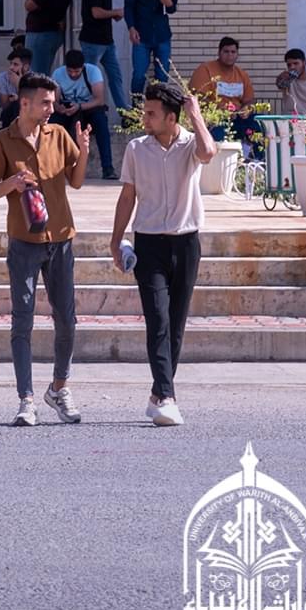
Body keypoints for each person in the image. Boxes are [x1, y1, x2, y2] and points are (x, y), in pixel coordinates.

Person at [0, 72, 89, 428]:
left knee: (67, 320)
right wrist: (12, 183)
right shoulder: (2, 140)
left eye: (53, 102)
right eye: (45, 102)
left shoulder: (58, 134)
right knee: (23, 319)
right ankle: (26, 399)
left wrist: (84, 151)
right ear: (25, 103)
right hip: (24, 243)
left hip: (61, 239)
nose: (51, 108)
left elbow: (76, 181)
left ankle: (59, 387)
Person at [110, 84, 218, 428]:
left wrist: (196, 114)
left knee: (176, 322)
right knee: (157, 319)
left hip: (187, 243)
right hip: (149, 244)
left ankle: (159, 392)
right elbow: (127, 196)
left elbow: (209, 152)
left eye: (151, 114)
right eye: (145, 112)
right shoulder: (136, 148)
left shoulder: (190, 144)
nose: (144, 119)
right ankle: (168, 397)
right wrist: (116, 240)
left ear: (172, 118)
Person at [78, 0, 128, 112]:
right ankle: (86, 110)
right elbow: (96, 12)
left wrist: (113, 15)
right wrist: (115, 12)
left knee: (115, 77)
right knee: (88, 79)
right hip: (92, 41)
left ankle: (125, 113)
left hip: (106, 41)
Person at [52, 47, 116, 180]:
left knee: (101, 122)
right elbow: (54, 101)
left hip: (89, 109)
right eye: (70, 71)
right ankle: (53, 166)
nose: (73, 74)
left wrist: (80, 107)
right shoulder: (58, 74)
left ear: (82, 67)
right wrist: (60, 108)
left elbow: (99, 100)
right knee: (52, 123)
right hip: (68, 110)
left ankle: (108, 168)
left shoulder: (93, 71)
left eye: (77, 71)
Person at [123, 0, 179, 95]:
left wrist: (169, 3)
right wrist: (131, 28)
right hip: (142, 34)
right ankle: (135, 107)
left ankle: (160, 106)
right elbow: (128, 6)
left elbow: (172, 9)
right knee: (139, 75)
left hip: (162, 34)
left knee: (163, 76)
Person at [189, 37, 259, 155]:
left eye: (233, 52)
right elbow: (199, 97)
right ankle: (218, 160)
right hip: (215, 118)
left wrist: (246, 109)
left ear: (237, 55)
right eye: (226, 51)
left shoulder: (242, 74)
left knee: (258, 124)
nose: (229, 55)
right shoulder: (205, 69)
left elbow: (249, 100)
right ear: (219, 52)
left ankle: (257, 160)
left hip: (237, 118)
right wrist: (221, 110)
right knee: (219, 131)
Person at [23, 0, 71, 77]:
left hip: (41, 35)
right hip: (49, 33)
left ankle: (40, 91)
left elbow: (30, 5)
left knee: (37, 75)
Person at [0, 48, 30, 128]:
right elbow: (6, 107)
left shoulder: (33, 78)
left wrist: (19, 84)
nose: (11, 67)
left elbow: (31, 106)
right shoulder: (2, 78)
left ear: (26, 67)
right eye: (11, 63)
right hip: (10, 114)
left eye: (15, 64)